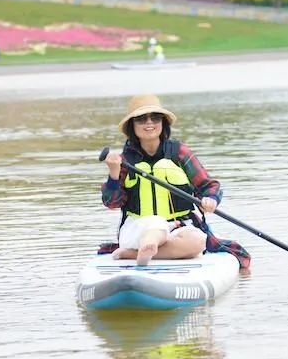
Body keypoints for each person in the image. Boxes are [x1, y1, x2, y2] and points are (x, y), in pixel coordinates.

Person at [101, 94, 250, 268]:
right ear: (132, 126)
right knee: (155, 225)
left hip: (178, 226)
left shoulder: (179, 153)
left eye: (155, 117)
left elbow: (208, 186)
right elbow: (112, 203)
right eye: (141, 119)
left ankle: (132, 254)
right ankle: (150, 245)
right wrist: (113, 174)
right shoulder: (123, 161)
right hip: (139, 227)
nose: (149, 123)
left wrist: (211, 199)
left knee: (198, 241)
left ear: (163, 122)